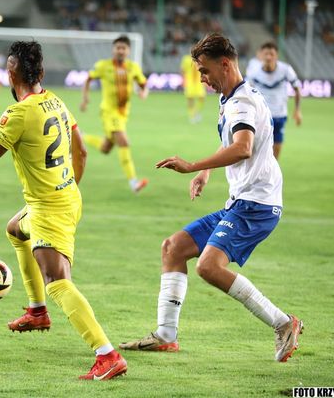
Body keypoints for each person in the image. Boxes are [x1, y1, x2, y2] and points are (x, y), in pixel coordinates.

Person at [119, 33, 303, 362]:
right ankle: (165, 335)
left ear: (225, 64)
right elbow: (233, 140)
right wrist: (207, 172)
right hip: (242, 201)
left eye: (204, 71)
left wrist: (193, 165)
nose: (202, 78)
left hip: (257, 205)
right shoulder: (232, 98)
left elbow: (243, 147)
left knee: (208, 266)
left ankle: (283, 322)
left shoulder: (242, 102)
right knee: (173, 248)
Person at [0, 41, 127, 381]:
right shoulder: (57, 101)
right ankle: (37, 312)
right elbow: (82, 151)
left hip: (49, 208)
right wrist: (68, 188)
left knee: (58, 282)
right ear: (42, 72)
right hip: (63, 197)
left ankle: (107, 355)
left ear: (11, 74)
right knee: (15, 229)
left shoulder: (18, 113)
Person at [80, 35, 149, 193]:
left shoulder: (133, 67)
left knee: (106, 148)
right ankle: (133, 182)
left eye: (123, 48)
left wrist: (144, 93)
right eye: (118, 48)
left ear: (128, 51)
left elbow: (144, 84)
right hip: (109, 112)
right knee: (124, 142)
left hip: (123, 114)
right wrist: (85, 99)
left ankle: (82, 137)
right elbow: (88, 79)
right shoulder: (103, 66)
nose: (120, 51)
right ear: (113, 50)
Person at [246, 41, 302, 159]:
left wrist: (297, 110)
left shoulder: (285, 69)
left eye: (271, 54)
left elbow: (297, 88)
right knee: (256, 150)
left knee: (276, 150)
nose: (268, 57)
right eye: (266, 54)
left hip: (279, 115)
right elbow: (246, 91)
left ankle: (272, 169)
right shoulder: (254, 71)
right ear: (261, 55)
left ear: (276, 56)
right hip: (260, 116)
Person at [181, 49, 206, 123]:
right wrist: (183, 80)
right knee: (190, 99)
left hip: (199, 82)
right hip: (189, 82)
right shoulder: (186, 59)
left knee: (202, 98)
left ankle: (197, 112)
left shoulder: (201, 59)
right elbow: (183, 70)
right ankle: (192, 115)